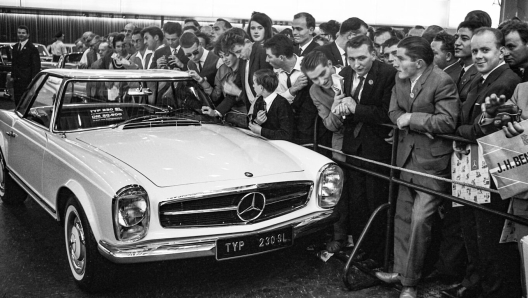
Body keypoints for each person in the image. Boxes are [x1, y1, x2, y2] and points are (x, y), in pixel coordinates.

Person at [375, 36, 460, 298]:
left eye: (400, 58)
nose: (394, 61)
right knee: (402, 218)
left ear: (419, 63)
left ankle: (410, 282)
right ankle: (401, 272)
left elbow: (447, 122)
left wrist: (411, 118)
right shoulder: (400, 79)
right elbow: (392, 112)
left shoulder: (442, 81)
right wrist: (406, 119)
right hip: (405, 160)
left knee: (420, 221)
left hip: (432, 165)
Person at [443, 27, 522, 298]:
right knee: (473, 232)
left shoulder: (504, 81)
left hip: (491, 168)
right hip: (473, 165)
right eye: (475, 50)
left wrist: (461, 133)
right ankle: (476, 283)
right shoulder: (481, 78)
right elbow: (467, 122)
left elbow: (482, 129)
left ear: (500, 50)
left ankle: (490, 289)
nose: (477, 55)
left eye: (484, 50)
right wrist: (465, 131)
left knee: (487, 237)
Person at [330, 35, 397, 262]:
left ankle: (378, 254)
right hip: (353, 145)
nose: (356, 64)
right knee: (357, 200)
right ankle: (360, 247)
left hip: (376, 147)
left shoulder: (387, 74)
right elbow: (344, 104)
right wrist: (340, 106)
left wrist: (356, 108)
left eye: (362, 58)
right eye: (351, 59)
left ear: (373, 54)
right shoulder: (345, 74)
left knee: (375, 199)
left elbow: (387, 113)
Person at [263, 34, 328, 147]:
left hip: (313, 132)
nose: (266, 60)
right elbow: (272, 103)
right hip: (287, 131)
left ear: (282, 57)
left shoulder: (310, 65)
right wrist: (292, 90)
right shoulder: (274, 74)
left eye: (269, 56)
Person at [218, 28, 272, 111]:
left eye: (239, 51)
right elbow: (237, 85)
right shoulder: (243, 60)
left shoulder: (262, 53)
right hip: (253, 112)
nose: (238, 56)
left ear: (248, 42)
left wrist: (239, 93)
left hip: (265, 113)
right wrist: (217, 112)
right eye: (235, 53)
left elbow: (266, 91)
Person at [247, 69, 294, 141]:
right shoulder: (259, 101)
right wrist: (257, 121)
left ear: (261, 87)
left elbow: (286, 134)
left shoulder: (282, 104)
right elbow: (251, 126)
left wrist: (261, 131)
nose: (253, 86)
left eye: (254, 83)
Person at [11, 25, 41, 106]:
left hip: (27, 81)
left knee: (25, 103)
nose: (21, 34)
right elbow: (13, 64)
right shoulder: (15, 47)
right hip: (16, 81)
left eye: (23, 33)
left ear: (28, 35)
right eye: (19, 33)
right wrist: (12, 76)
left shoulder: (32, 48)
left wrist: (34, 81)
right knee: (17, 102)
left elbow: (36, 66)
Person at [454, 21, 483, 103]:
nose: (457, 43)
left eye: (464, 38)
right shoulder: (461, 69)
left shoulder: (480, 74)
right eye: (456, 38)